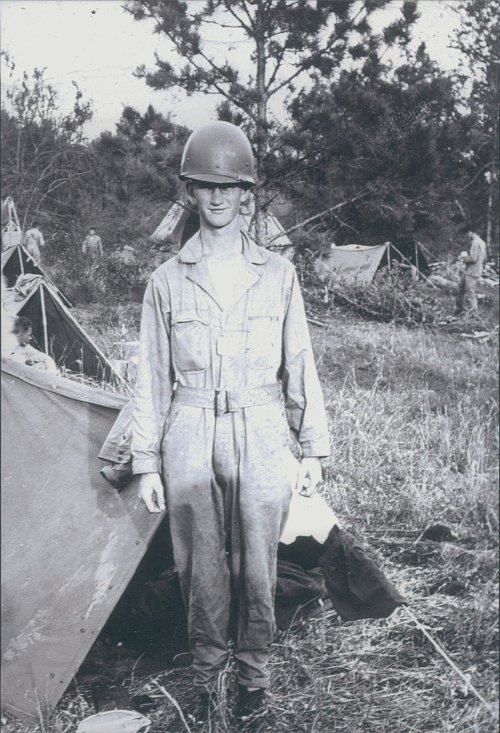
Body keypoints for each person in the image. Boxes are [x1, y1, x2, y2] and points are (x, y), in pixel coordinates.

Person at [131, 121, 330, 726]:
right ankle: (207, 673)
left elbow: (299, 361)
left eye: (229, 187)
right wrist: (145, 463)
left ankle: (254, 676)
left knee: (257, 563)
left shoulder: (278, 274)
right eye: (203, 186)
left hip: (263, 425)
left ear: (246, 192)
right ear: (190, 191)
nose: (216, 198)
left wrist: (313, 448)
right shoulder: (166, 281)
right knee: (200, 565)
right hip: (189, 429)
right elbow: (151, 379)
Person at [455, 226, 487, 316]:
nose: (467, 236)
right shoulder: (483, 242)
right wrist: (482, 267)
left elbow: (473, 258)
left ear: (471, 232)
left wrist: (462, 258)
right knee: (461, 287)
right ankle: (459, 308)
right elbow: (485, 258)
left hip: (472, 271)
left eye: (467, 234)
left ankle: (475, 313)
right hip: (474, 270)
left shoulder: (475, 243)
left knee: (470, 292)